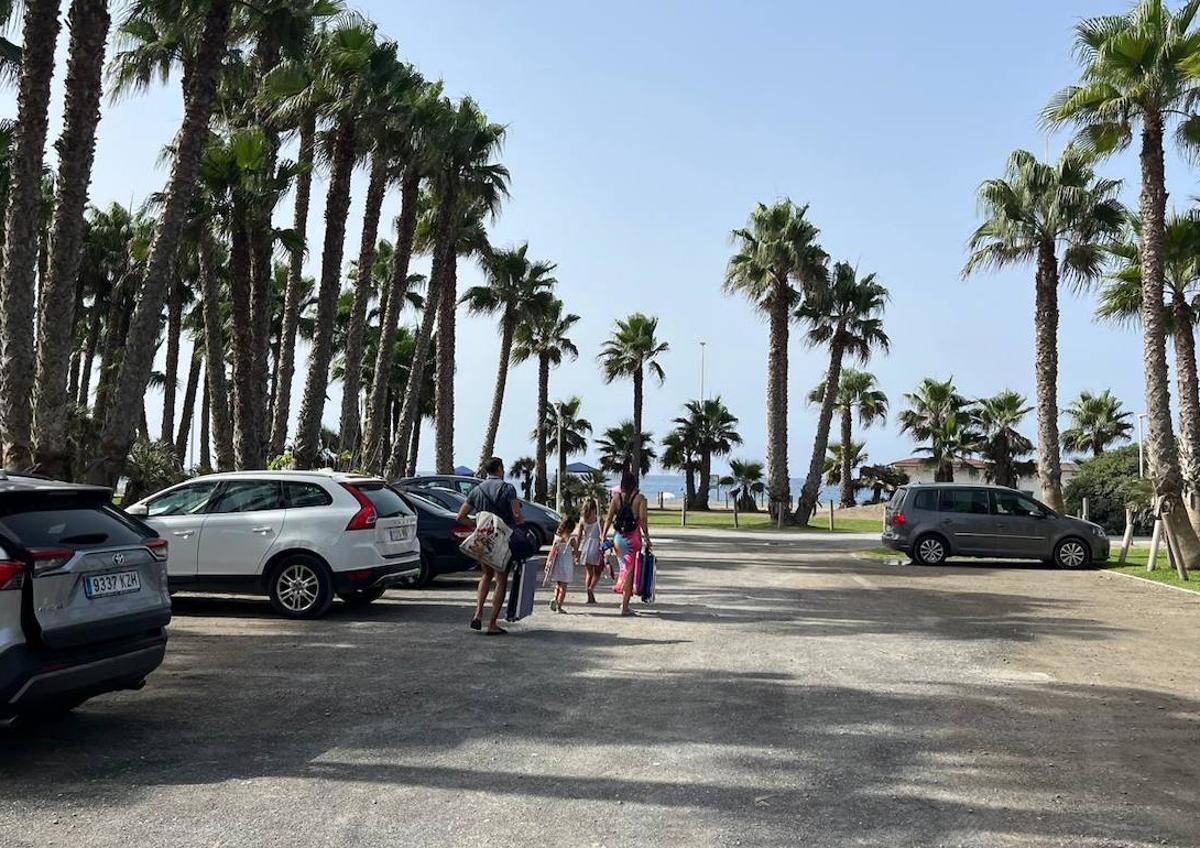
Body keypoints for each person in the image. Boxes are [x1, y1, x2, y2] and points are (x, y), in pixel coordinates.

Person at [458, 456, 526, 635]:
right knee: (501, 578)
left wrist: (478, 526)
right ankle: (493, 623)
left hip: (484, 538)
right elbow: (517, 515)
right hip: (502, 539)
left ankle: (478, 613)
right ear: (500, 469)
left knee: (486, 575)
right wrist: (521, 524)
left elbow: (461, 516)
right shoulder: (508, 488)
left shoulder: (477, 489)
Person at [601, 469, 650, 617]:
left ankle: (624, 600)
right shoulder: (639, 498)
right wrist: (647, 537)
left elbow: (609, 518)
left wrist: (603, 536)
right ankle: (625, 606)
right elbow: (642, 520)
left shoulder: (616, 498)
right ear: (635, 484)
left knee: (624, 568)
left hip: (618, 539)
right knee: (629, 572)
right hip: (632, 538)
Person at [544, 517, 578, 613]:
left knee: (558, 584)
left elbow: (552, 551)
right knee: (564, 587)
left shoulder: (557, 538)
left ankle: (555, 598)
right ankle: (559, 606)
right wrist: (576, 558)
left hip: (557, 563)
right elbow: (576, 552)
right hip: (567, 564)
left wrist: (548, 562)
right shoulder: (571, 539)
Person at [575, 498, 603, 604]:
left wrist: (577, 552)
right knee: (598, 572)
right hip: (596, 546)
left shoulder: (583, 520)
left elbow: (579, 537)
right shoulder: (598, 519)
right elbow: (602, 534)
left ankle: (589, 596)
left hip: (586, 546)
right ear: (594, 508)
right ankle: (591, 588)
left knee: (589, 573)